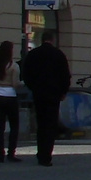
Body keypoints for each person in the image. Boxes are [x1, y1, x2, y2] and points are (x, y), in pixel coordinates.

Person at [19, 31, 70, 167]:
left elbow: (26, 74)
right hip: (54, 94)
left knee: (41, 123)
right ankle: (47, 155)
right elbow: (65, 74)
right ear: (53, 39)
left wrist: (33, 87)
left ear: (42, 39)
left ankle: (40, 152)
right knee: (50, 124)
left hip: (39, 93)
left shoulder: (33, 54)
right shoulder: (58, 55)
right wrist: (63, 91)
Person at [0, 40, 21, 163]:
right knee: (14, 125)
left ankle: (0, 154)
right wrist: (23, 83)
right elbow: (15, 84)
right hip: (10, 95)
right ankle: (11, 153)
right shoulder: (14, 66)